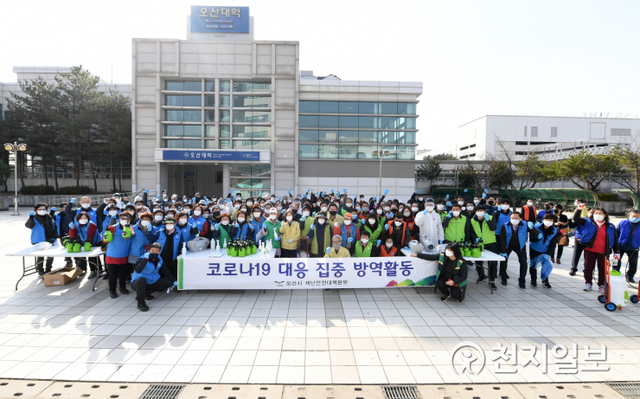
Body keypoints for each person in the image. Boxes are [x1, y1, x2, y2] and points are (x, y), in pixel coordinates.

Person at [573, 207, 618, 292]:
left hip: (604, 251)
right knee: (588, 267)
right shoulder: (587, 222)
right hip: (590, 250)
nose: (597, 215)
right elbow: (576, 219)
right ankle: (588, 283)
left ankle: (601, 284)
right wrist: (579, 209)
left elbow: (615, 239)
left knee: (603, 269)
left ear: (605, 215)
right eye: (596, 213)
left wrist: (617, 252)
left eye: (600, 213)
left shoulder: (610, 226)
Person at [499, 212, 541, 288]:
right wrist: (503, 251)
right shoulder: (505, 225)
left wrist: (532, 228)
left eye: (516, 218)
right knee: (503, 261)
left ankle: (522, 281)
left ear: (520, 219)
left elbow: (536, 233)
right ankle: (503, 278)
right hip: (508, 246)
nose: (513, 220)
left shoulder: (525, 224)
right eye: (512, 218)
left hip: (520, 247)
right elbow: (502, 239)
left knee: (524, 263)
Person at [131, 243, 176, 312]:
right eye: (152, 250)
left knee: (167, 282)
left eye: (157, 251)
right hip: (138, 283)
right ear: (148, 251)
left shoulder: (159, 259)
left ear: (159, 252)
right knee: (142, 281)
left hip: (151, 281)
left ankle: (147, 292)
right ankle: (140, 303)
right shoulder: (141, 259)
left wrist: (174, 281)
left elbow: (165, 271)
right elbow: (138, 270)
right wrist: (145, 259)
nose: (154, 252)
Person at [102, 212, 134, 298]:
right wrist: (106, 236)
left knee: (124, 273)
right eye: (123, 219)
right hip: (113, 255)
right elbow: (105, 241)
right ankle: (112, 290)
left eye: (127, 219)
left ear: (130, 220)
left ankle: (122, 287)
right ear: (119, 219)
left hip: (125, 255)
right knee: (113, 274)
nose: (125, 221)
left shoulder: (131, 229)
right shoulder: (113, 228)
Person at [469, 205, 499, 289]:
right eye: (478, 210)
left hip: (490, 243)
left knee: (492, 263)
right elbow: (472, 232)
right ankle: (481, 275)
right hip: (479, 244)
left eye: (482, 210)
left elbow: (493, 228)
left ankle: (492, 280)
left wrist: (488, 220)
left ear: (485, 211)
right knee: (478, 262)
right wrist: (475, 239)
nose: (480, 212)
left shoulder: (490, 217)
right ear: (475, 211)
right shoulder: (472, 220)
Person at [26, 203, 59, 276]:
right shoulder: (34, 218)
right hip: (39, 239)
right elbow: (29, 226)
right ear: (36, 210)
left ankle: (48, 269)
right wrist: (30, 218)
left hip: (50, 238)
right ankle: (40, 270)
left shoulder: (49, 217)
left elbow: (54, 226)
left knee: (50, 255)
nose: (42, 211)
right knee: (41, 256)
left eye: (44, 209)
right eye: (40, 209)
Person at [68, 211, 101, 279]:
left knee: (92, 257)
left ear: (88, 218)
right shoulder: (76, 225)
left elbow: (90, 236)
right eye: (81, 218)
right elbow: (73, 236)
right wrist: (71, 229)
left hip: (94, 242)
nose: (83, 219)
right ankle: (83, 270)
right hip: (84, 242)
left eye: (85, 218)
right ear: (78, 219)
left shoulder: (92, 225)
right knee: (82, 257)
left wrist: (88, 245)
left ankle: (95, 270)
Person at [528, 214, 557, 288]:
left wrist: (548, 253)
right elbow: (531, 239)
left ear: (553, 221)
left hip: (545, 250)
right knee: (533, 265)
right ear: (543, 220)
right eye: (546, 220)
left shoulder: (554, 230)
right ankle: (533, 280)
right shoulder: (536, 227)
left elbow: (553, 244)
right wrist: (537, 238)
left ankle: (545, 280)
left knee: (545, 265)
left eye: (550, 220)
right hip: (534, 248)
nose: (548, 222)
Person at [569, 204, 593, 276]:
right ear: (588, 212)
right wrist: (569, 220)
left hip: (589, 241)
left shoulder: (595, 222)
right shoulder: (582, 219)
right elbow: (572, 225)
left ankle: (586, 270)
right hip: (579, 240)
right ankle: (573, 268)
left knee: (587, 256)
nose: (592, 214)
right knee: (576, 255)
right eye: (591, 212)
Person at [617, 209, 640, 283]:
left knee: (633, 263)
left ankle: (630, 276)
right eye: (633, 216)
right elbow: (616, 233)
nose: (635, 218)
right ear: (629, 215)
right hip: (620, 245)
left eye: (637, 217)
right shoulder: (622, 223)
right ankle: (616, 272)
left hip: (634, 247)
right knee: (616, 260)